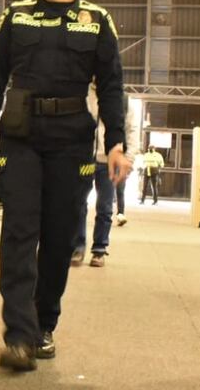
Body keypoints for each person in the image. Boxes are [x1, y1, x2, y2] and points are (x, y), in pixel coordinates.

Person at [0, 0, 131, 372]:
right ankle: (19, 334)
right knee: (19, 231)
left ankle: (44, 323)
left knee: (60, 237)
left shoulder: (97, 20)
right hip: (20, 135)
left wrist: (115, 141)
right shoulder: (16, 16)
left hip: (72, 139)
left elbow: (112, 86)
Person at [72, 90, 115, 268]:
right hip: (85, 158)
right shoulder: (83, 94)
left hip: (107, 160)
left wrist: (128, 158)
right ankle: (77, 247)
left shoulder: (120, 99)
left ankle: (99, 250)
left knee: (104, 207)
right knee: (78, 203)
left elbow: (130, 129)